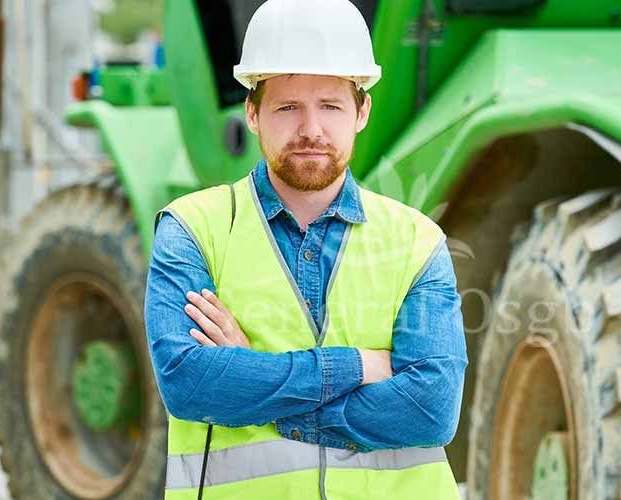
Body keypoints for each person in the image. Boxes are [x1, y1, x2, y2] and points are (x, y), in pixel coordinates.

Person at [144, 0, 467, 498]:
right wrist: (356, 366)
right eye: (288, 107)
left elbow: (431, 410)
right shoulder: (192, 230)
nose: (311, 130)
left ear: (362, 112)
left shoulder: (416, 242)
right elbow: (190, 384)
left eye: (331, 106)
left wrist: (253, 382)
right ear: (253, 113)